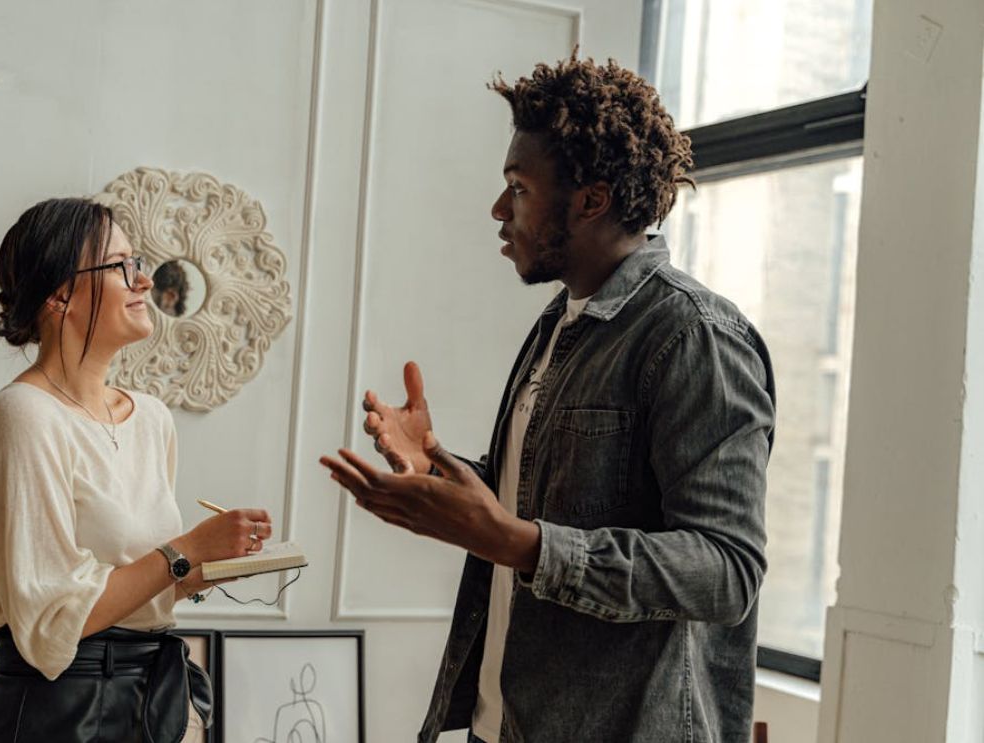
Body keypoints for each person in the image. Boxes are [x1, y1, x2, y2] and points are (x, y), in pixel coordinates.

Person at [320, 54, 775, 742]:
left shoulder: (695, 336)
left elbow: (725, 569)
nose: (499, 210)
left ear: (590, 199)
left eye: (517, 187)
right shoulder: (560, 322)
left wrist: (520, 543)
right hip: (506, 723)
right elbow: (551, 502)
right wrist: (447, 470)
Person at [0, 197, 273, 742]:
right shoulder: (23, 416)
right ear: (59, 295)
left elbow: (131, 586)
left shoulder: (150, 418)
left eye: (138, 262)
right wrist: (187, 550)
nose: (144, 281)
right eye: (121, 266)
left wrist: (208, 563)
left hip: (145, 702)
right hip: (58, 711)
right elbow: (51, 623)